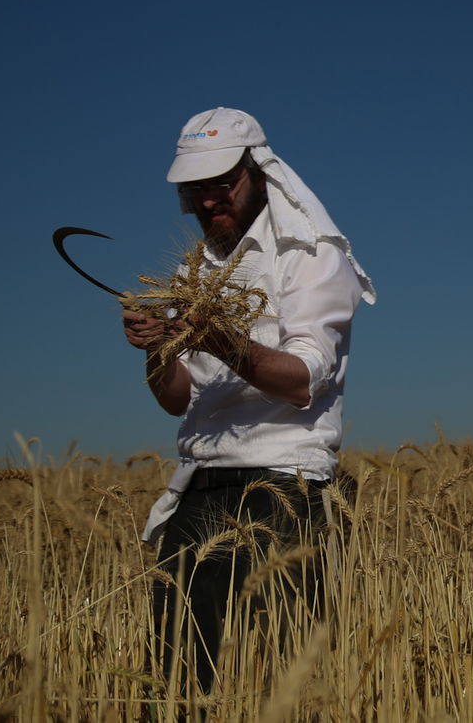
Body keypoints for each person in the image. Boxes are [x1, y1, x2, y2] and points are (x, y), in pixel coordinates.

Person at [122, 107, 375, 699]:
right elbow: (178, 399)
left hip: (282, 488)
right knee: (178, 682)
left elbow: (303, 380)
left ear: (259, 172)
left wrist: (223, 341)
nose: (208, 202)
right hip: (198, 487)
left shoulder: (310, 255)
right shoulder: (195, 269)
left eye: (221, 185)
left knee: (278, 685)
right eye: (194, 190)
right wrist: (156, 349)